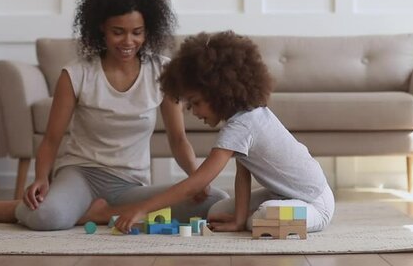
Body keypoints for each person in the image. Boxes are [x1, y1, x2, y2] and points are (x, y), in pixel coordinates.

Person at [0, 0, 228, 230]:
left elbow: (178, 139)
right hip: (81, 175)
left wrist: (196, 177)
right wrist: (40, 178)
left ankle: (101, 213)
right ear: (101, 28)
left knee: (215, 200)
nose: (128, 42)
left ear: (148, 31)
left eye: (137, 33)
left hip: (131, 185)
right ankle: (17, 208)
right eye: (118, 32)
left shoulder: (162, 70)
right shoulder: (77, 74)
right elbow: (51, 139)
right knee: (47, 218)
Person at [112, 30, 334, 234]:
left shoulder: (242, 126)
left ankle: (260, 219)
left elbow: (197, 183)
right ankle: (250, 219)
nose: (194, 112)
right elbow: (243, 173)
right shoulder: (245, 117)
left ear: (218, 92)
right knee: (217, 210)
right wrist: (237, 220)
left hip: (316, 203)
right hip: (283, 196)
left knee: (265, 217)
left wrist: (143, 209)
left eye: (196, 103)